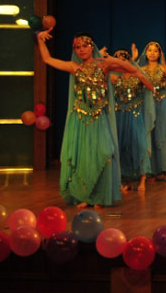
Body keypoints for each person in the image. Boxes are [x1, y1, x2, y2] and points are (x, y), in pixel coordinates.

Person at [36, 27, 143, 208]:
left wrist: (114, 60)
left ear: (92, 46)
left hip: (99, 118)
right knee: (84, 159)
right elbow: (47, 59)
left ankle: (100, 196)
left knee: (105, 152)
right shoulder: (74, 68)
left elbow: (132, 70)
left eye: (85, 46)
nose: (81, 50)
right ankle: (86, 196)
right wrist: (40, 39)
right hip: (80, 119)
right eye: (78, 47)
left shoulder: (104, 66)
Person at [110, 46, 155, 193]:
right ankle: (127, 181)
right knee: (123, 146)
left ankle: (142, 179)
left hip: (135, 115)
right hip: (120, 115)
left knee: (138, 145)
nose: (121, 63)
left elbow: (151, 87)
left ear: (129, 61)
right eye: (118, 61)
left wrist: (139, 74)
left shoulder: (137, 74)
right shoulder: (114, 77)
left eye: (124, 60)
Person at [137, 41, 166, 181]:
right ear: (145, 53)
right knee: (149, 134)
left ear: (160, 54)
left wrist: (165, 67)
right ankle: (151, 170)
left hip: (161, 104)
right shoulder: (141, 69)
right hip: (147, 106)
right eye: (150, 50)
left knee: (163, 135)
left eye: (155, 51)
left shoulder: (163, 68)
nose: (152, 53)